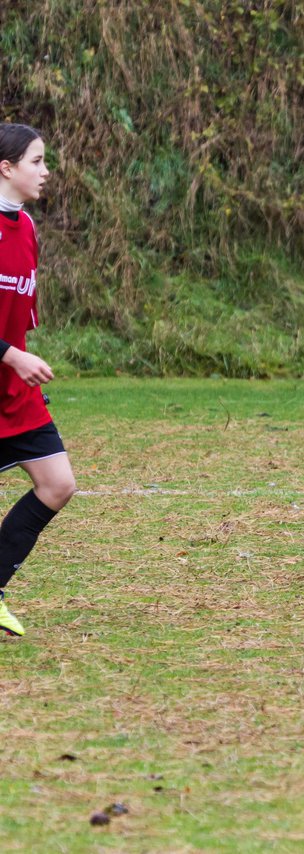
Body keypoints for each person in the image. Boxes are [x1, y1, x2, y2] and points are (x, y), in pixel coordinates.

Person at [0, 124, 77, 637]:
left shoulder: (25, 227)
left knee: (58, 484)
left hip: (14, 389)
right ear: (6, 167)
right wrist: (11, 356)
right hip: (9, 370)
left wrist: (19, 358)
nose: (45, 171)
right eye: (36, 161)